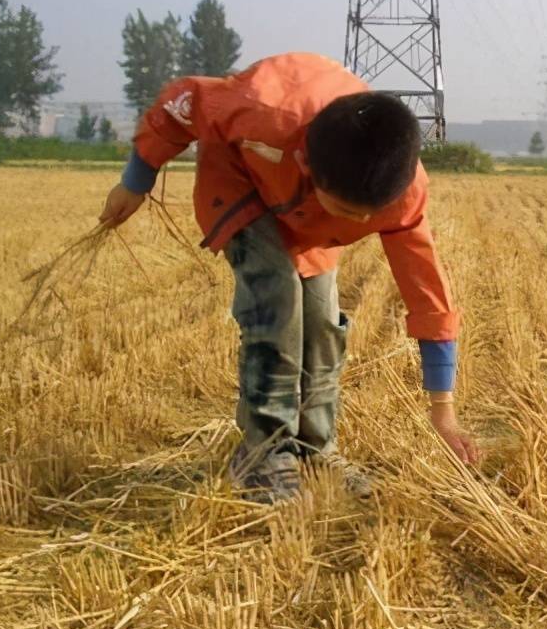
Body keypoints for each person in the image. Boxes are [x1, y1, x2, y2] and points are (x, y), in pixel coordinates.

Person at [99, 52, 477, 502]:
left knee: (320, 322)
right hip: (240, 181)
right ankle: (264, 454)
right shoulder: (261, 109)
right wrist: (135, 181)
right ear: (307, 164)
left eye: (366, 217)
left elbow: (428, 295)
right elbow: (182, 102)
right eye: (346, 210)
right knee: (277, 300)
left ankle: (315, 448)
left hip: (307, 218)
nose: (359, 221)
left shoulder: (400, 192)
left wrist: (444, 411)